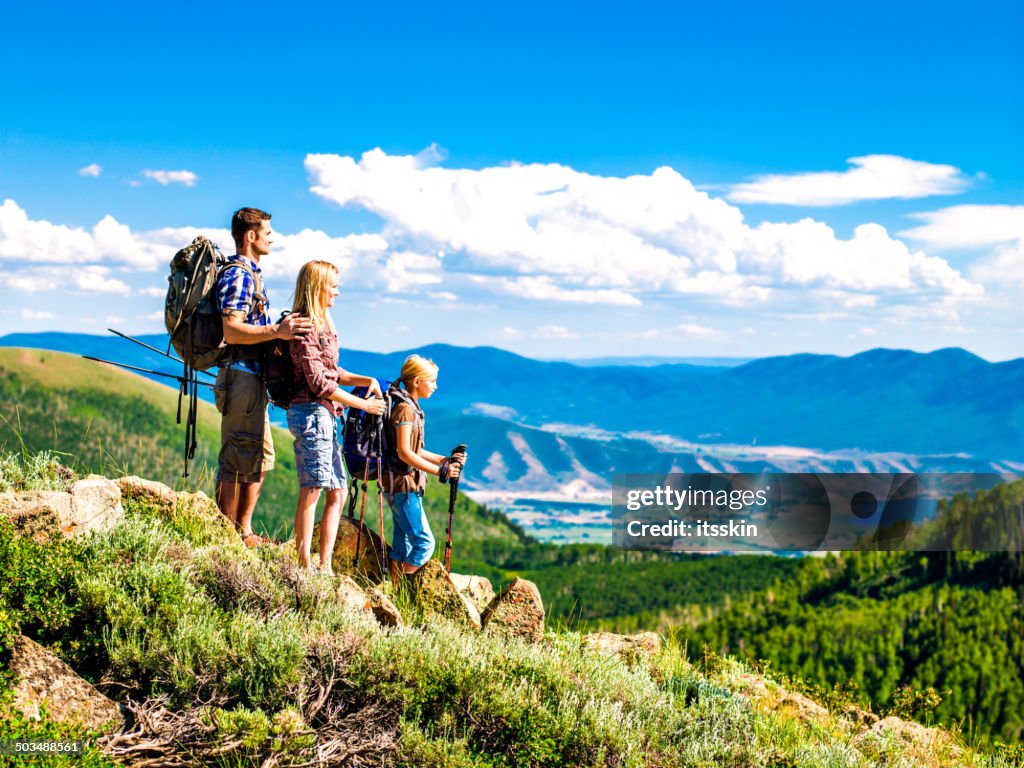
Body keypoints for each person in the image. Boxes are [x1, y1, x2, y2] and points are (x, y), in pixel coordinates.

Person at [215, 207, 313, 546]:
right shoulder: (240, 274)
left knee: (260, 456)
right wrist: (278, 331)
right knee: (237, 454)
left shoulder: (251, 274)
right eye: (266, 232)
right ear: (250, 236)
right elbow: (231, 329)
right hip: (240, 374)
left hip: (253, 378)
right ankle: (225, 531)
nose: (271, 237)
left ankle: (242, 530)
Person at [288, 260, 387, 571]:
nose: (337, 292)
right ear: (318, 288)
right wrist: (364, 405)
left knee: (338, 490)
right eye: (332, 286)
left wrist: (364, 380)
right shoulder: (304, 327)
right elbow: (319, 383)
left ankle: (325, 563)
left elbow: (332, 371)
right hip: (310, 413)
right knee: (314, 487)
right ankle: (303, 563)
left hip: (325, 415)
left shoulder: (324, 325)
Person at [382, 355, 466, 575]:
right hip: (403, 486)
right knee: (424, 543)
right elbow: (404, 452)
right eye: (432, 381)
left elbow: (415, 450)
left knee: (402, 546)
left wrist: (444, 460)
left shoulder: (410, 407)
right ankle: (406, 590)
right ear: (417, 381)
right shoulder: (406, 409)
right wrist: (441, 471)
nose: (436, 386)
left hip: (400, 485)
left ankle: (395, 592)